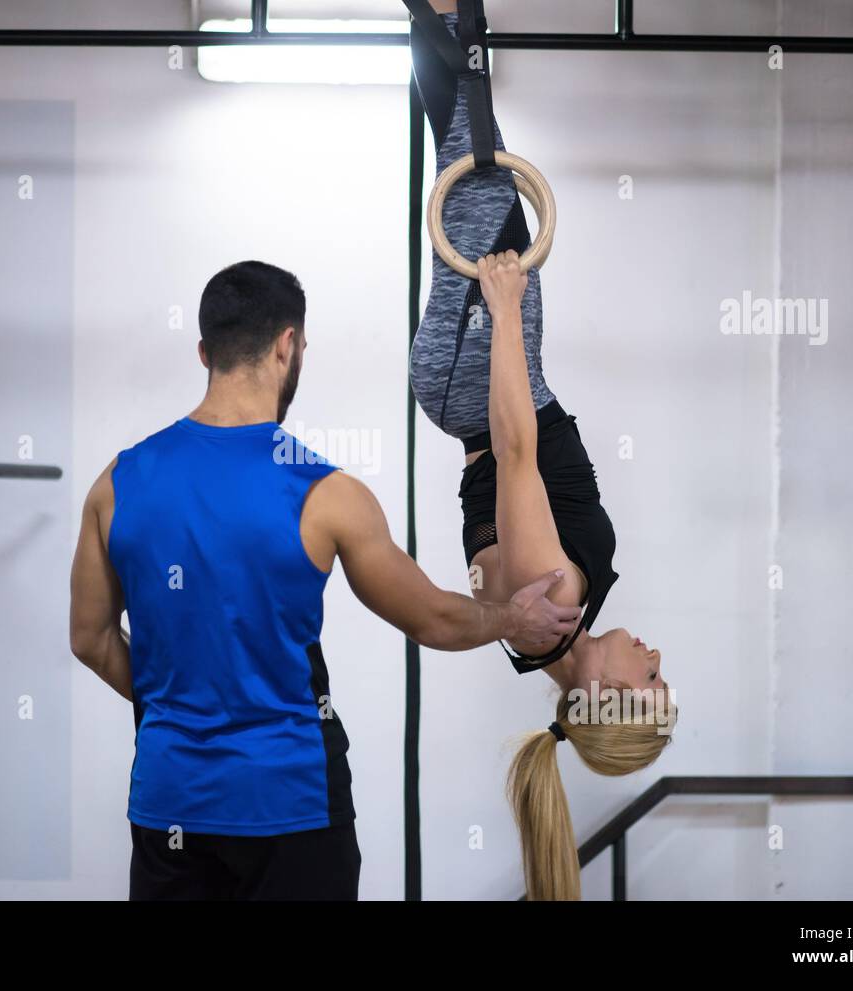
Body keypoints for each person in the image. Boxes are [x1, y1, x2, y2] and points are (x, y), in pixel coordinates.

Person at [69, 260, 581, 901]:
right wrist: (512, 619)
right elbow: (432, 618)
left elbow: (90, 639)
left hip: (169, 805)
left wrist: (177, 704)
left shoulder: (116, 483)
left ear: (205, 351)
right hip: (293, 806)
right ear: (288, 345)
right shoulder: (325, 494)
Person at [406, 0, 677, 899]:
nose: (657, 655)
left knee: (476, 170)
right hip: (501, 380)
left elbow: (515, 454)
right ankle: (449, 17)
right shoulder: (555, 627)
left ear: (610, 693)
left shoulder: (553, 605)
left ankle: (446, 14)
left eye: (653, 677)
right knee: (472, 165)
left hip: (485, 387)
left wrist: (510, 311)